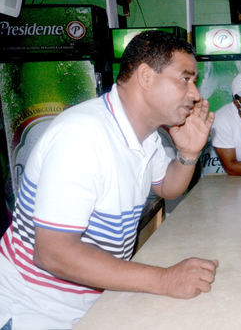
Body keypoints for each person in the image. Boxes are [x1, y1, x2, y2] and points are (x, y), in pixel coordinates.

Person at [0, 30, 219, 329]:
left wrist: (188, 153)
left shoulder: (145, 136)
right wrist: (165, 279)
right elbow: (52, 254)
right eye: (185, 78)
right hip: (34, 312)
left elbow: (168, 187)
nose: (195, 94)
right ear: (146, 76)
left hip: (87, 304)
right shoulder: (82, 136)